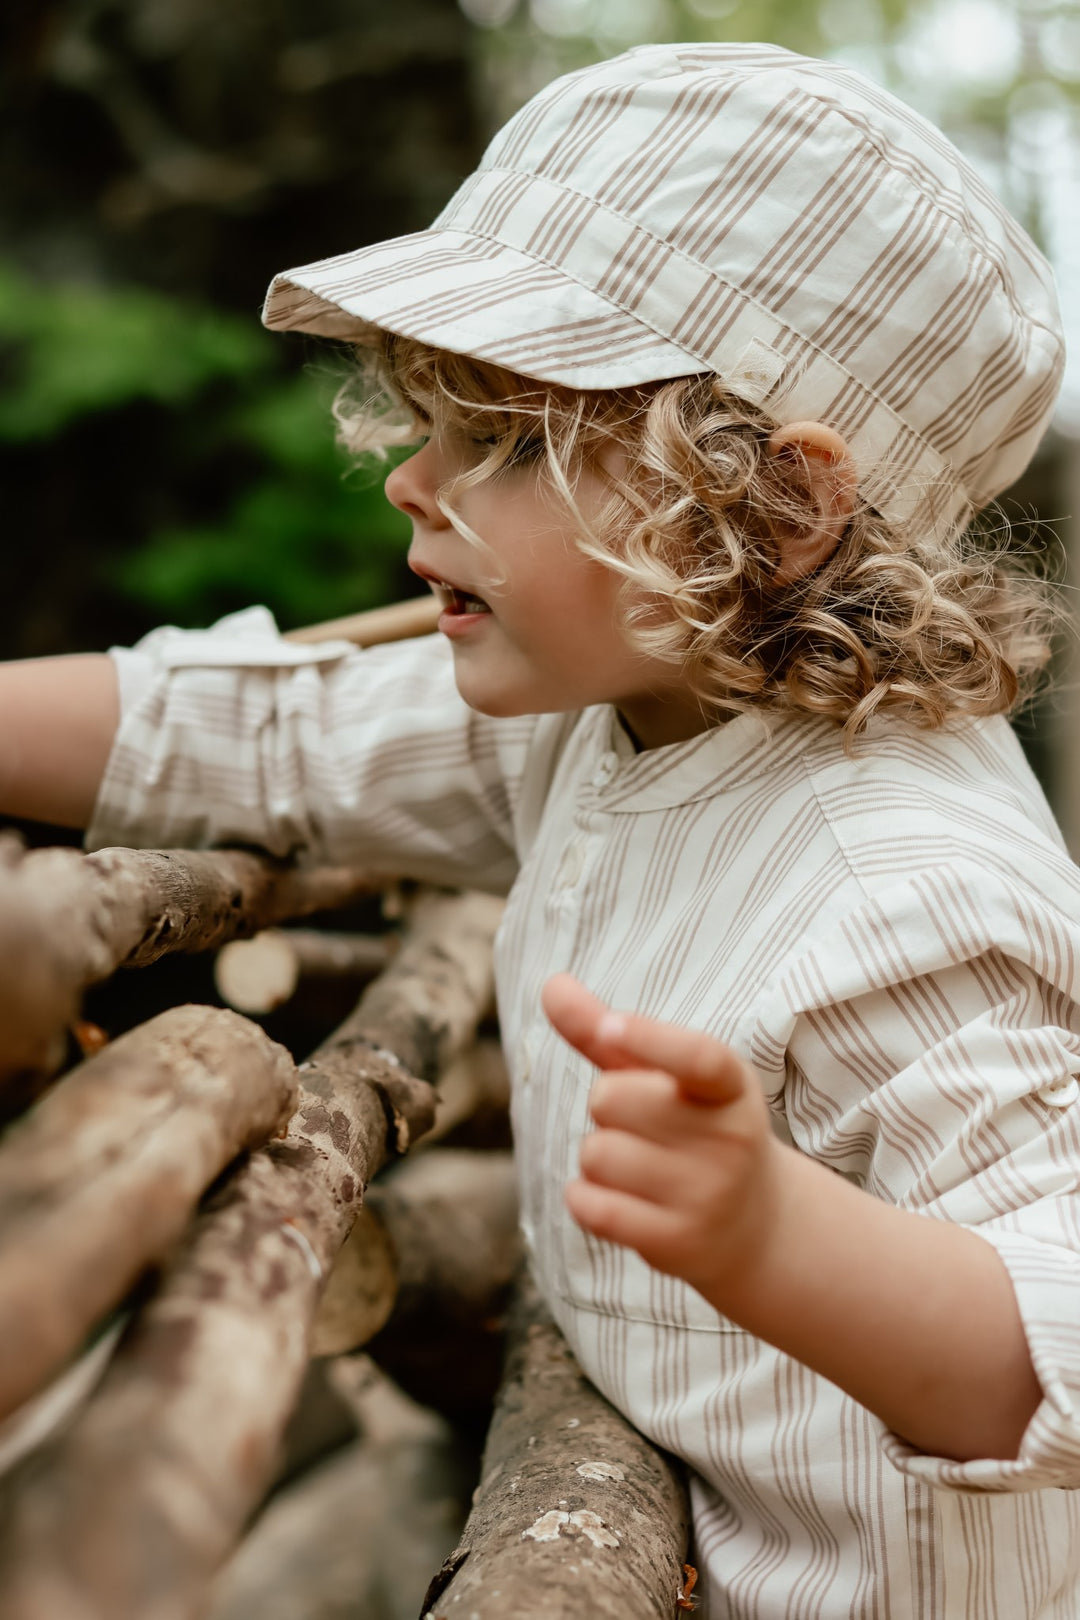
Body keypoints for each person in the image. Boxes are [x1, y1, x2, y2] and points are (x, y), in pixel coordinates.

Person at [4, 40, 1080, 1618]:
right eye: (428, 420)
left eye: (505, 439)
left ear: (777, 509)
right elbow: (261, 730)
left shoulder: (904, 894)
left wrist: (773, 1233)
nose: (415, 484)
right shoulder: (613, 705)